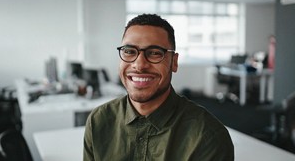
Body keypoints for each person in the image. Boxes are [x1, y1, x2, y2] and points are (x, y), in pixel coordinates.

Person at [83, 14, 234, 161]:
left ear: (174, 62)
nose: (139, 65)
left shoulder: (207, 136)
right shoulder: (99, 120)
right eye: (129, 51)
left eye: (155, 53)